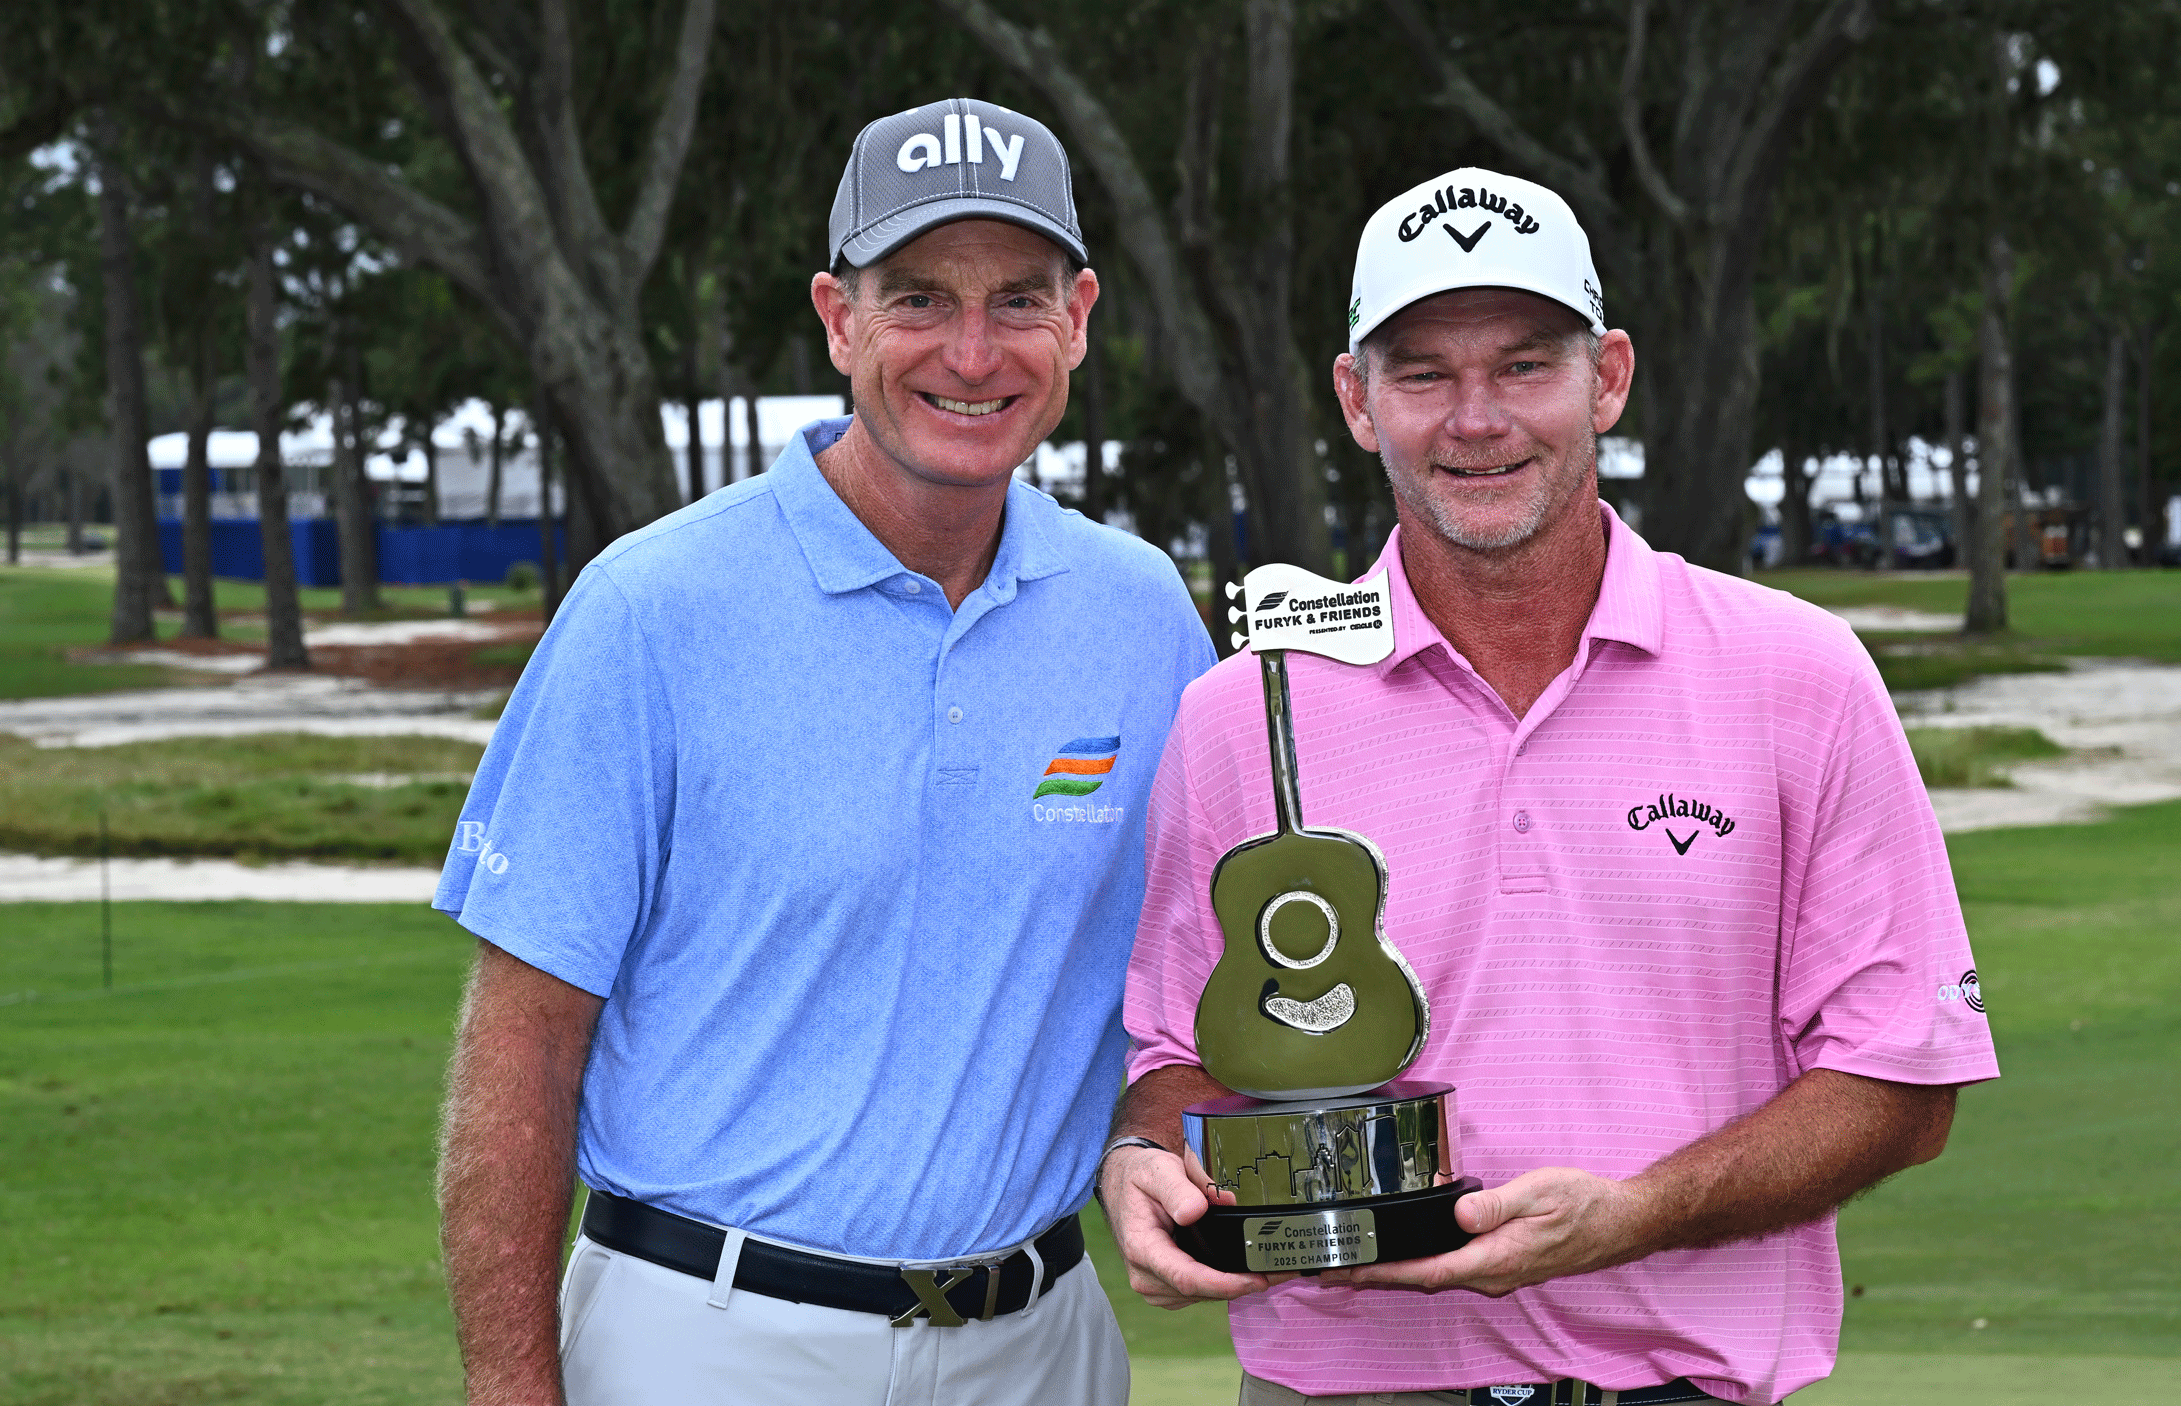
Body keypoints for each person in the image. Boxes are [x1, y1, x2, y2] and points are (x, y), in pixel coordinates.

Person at [1098, 168, 2000, 1406]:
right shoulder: (1245, 712)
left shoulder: (1797, 673)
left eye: (1525, 366)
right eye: (1424, 374)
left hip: (1682, 1384)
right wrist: (1146, 1151)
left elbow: (1901, 1078)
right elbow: (1181, 1050)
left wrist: (1636, 1212)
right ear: (1356, 400)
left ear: (1607, 379)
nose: (1477, 419)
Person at [432, 97, 1213, 1406]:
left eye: (1018, 299)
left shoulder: (1144, 619)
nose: (972, 350)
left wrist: (1146, 1134)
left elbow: (1182, 989)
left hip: (1041, 1344)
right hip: (712, 1340)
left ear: (1078, 318)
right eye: (919, 298)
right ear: (839, 317)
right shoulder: (651, 606)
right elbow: (525, 1045)